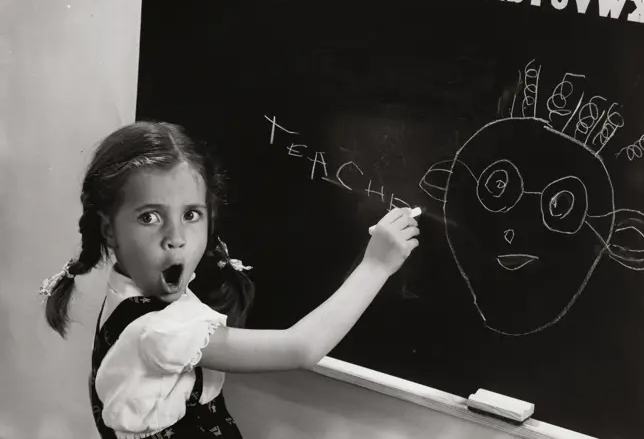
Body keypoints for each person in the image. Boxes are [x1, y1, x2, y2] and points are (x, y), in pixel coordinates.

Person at [39, 121, 420, 439]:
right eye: (149, 217)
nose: (176, 238)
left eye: (191, 215)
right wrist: (377, 266)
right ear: (109, 231)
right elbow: (301, 349)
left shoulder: (130, 293)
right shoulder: (161, 331)